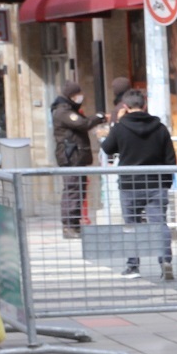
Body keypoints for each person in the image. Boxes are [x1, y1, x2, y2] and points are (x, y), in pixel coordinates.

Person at [99, 89, 177, 280]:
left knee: (131, 226)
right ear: (145, 105)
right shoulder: (160, 128)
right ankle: (165, 263)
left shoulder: (120, 128)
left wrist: (117, 124)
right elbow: (170, 159)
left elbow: (107, 148)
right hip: (156, 183)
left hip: (130, 184)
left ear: (125, 107)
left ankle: (133, 266)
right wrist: (166, 182)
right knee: (159, 225)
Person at [51, 81, 108, 237]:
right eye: (77, 94)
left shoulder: (70, 109)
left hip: (77, 156)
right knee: (73, 190)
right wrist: (99, 116)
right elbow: (83, 124)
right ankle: (69, 225)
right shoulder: (63, 111)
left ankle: (74, 224)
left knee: (79, 190)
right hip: (71, 157)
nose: (80, 97)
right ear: (71, 95)